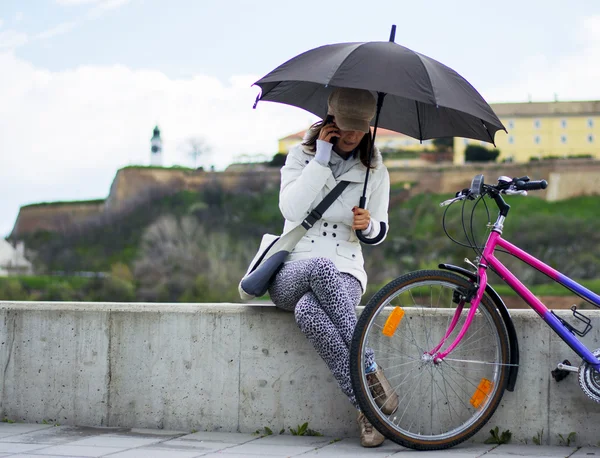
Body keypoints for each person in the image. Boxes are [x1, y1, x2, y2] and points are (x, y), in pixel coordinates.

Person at [268, 87, 398, 448]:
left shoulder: (374, 170)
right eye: (346, 125)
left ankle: (365, 409)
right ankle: (370, 369)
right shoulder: (300, 157)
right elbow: (291, 211)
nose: (353, 135)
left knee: (310, 312)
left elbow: (381, 229)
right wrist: (321, 160)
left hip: (346, 269)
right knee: (317, 269)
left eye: (360, 128)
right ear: (330, 121)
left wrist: (367, 226)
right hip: (292, 268)